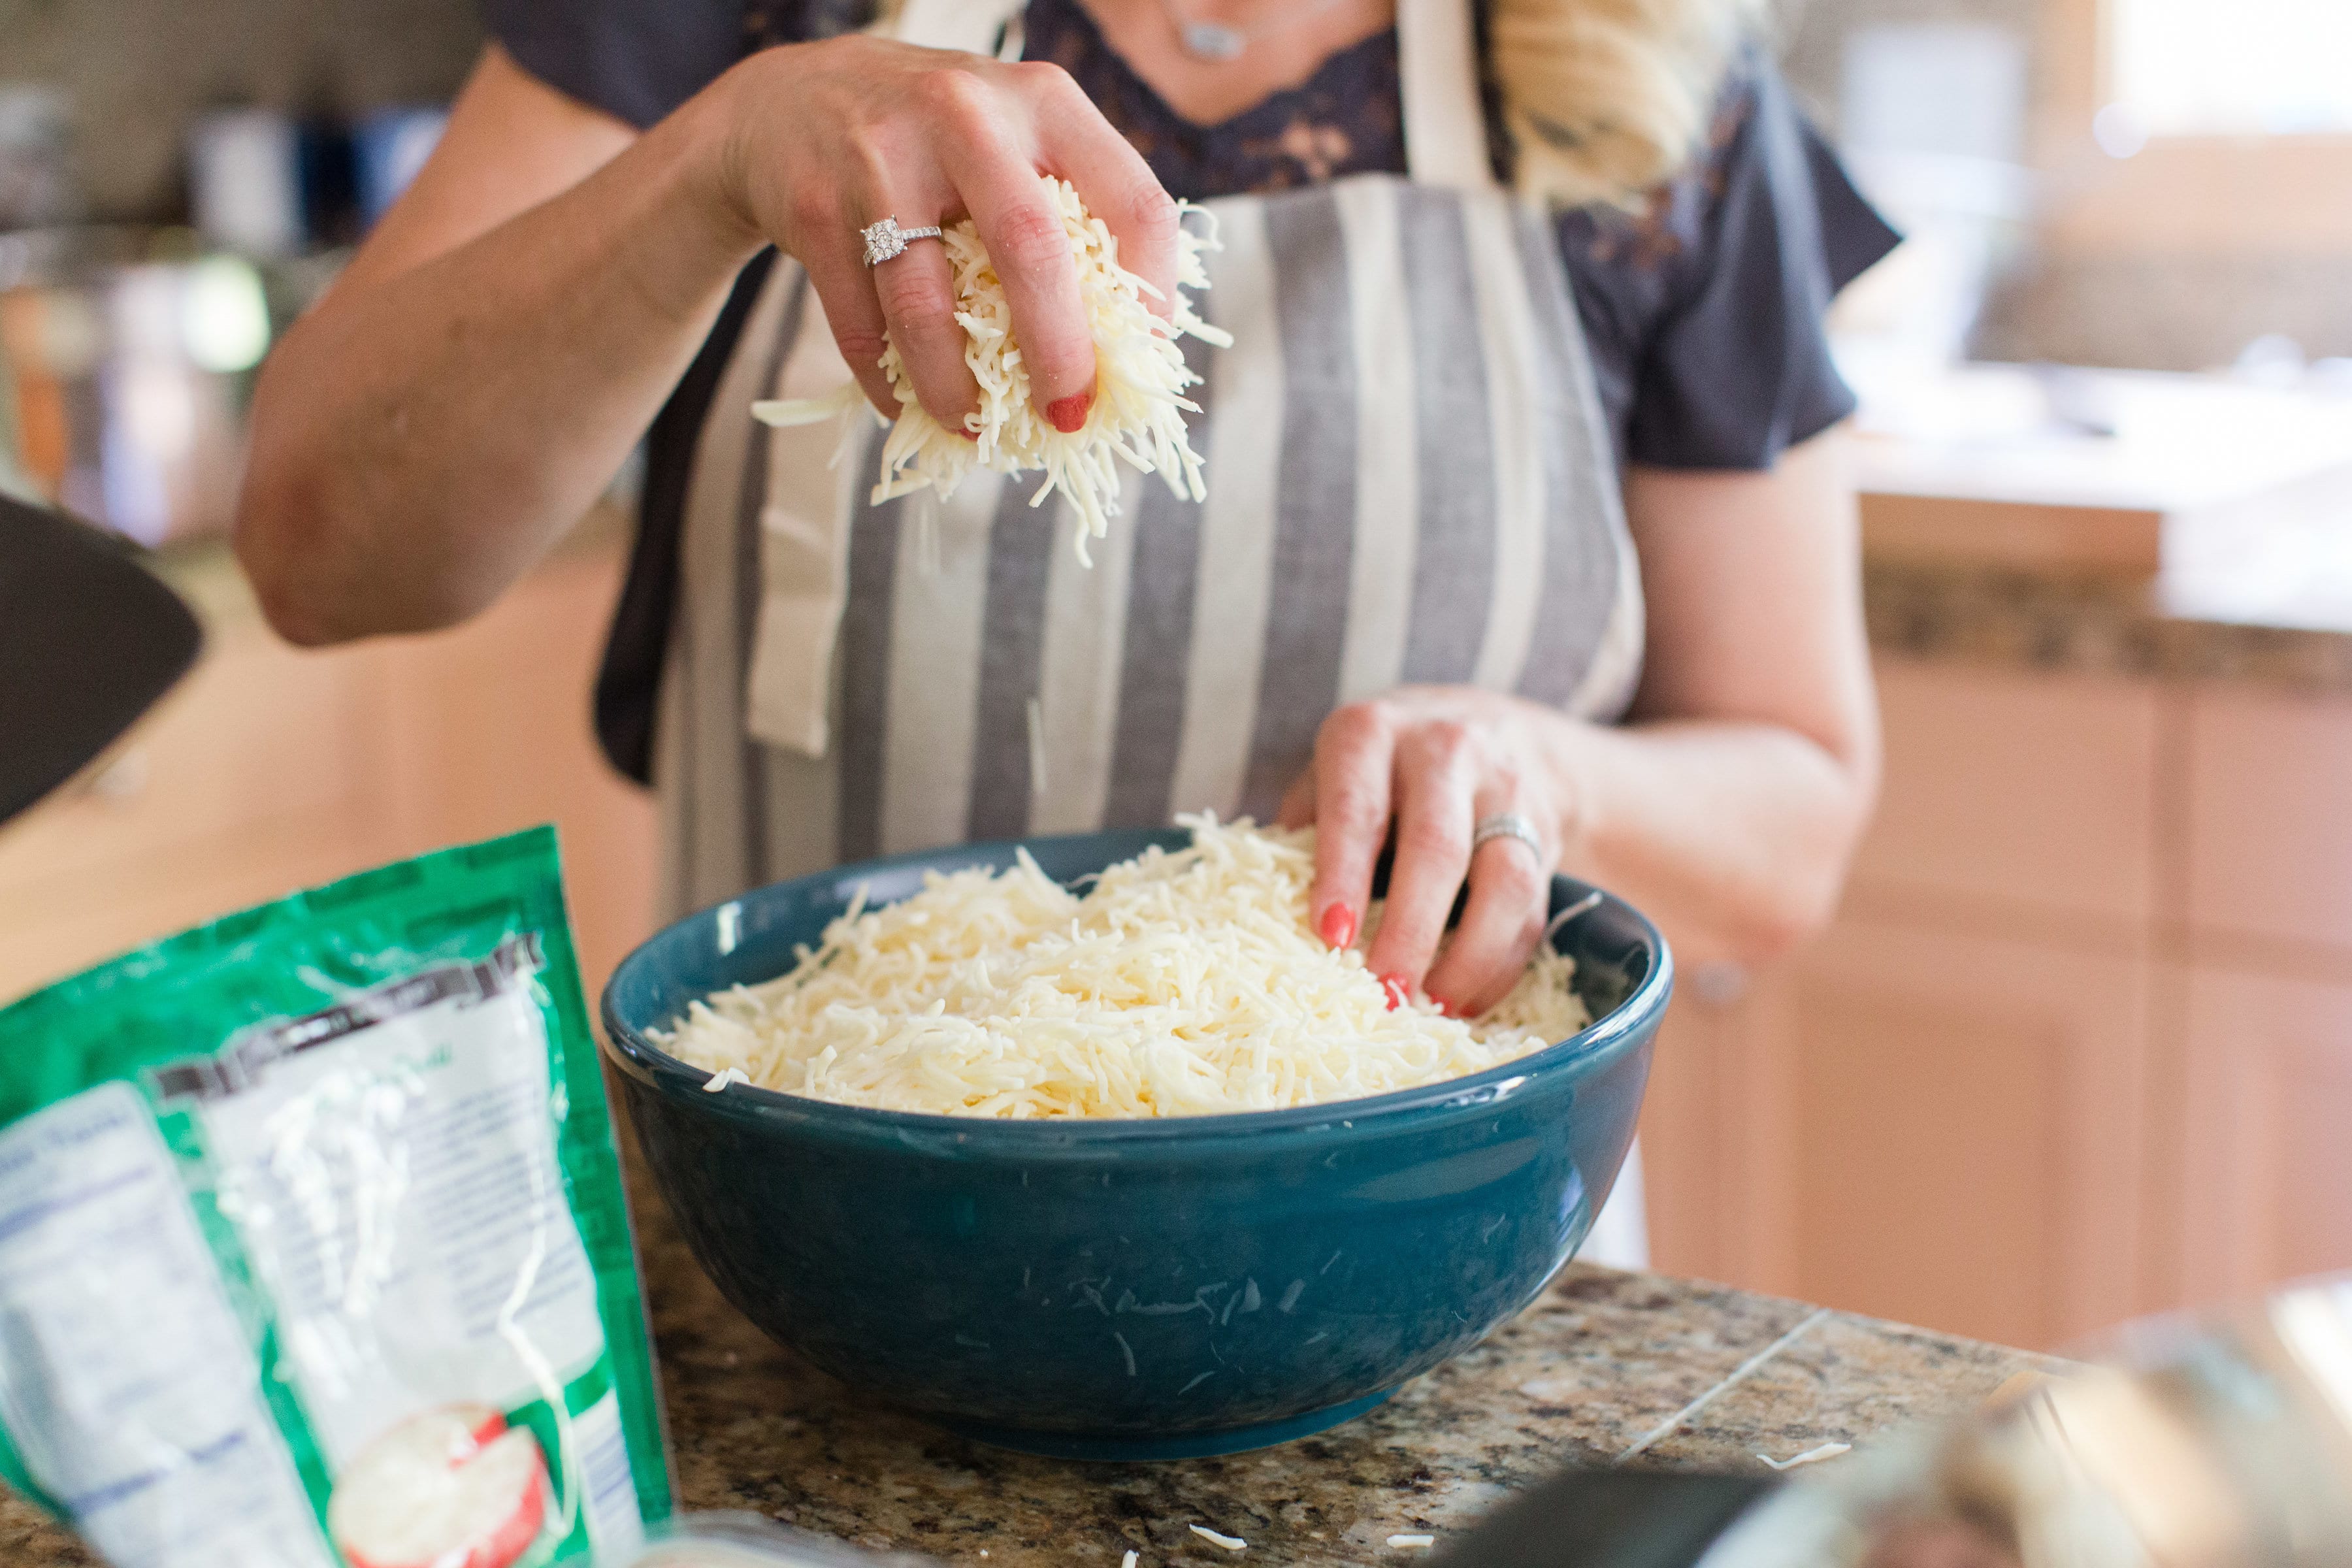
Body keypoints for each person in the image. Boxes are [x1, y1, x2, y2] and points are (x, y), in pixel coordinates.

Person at [235, 0, 1892, 1266]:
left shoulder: (1650, 77)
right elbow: (325, 553)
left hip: (1430, 1292)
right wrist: (714, 161)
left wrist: (1543, 777)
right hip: (816, 1288)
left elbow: (1795, 818)